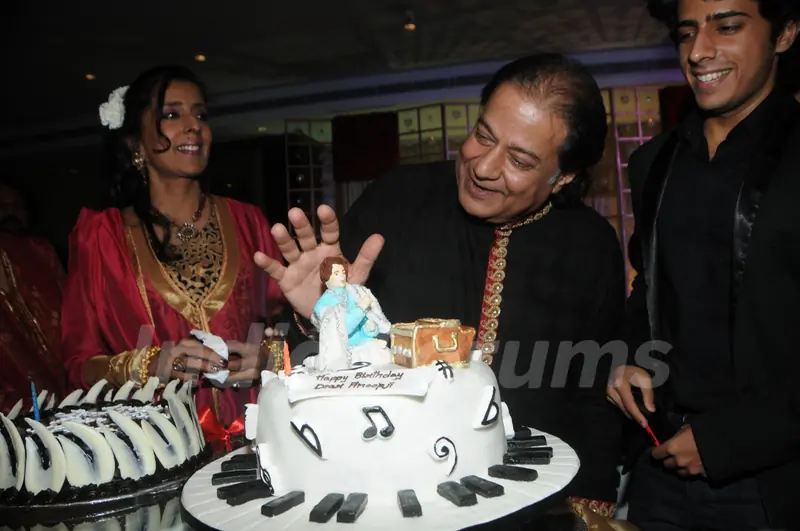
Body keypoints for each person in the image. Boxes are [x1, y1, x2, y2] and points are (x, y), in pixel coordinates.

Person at [256, 54, 627, 518]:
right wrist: (322, 314)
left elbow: (593, 392)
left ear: (564, 176)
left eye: (519, 159)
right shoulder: (397, 198)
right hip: (390, 505)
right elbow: (320, 375)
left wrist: (590, 508)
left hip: (536, 508)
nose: (484, 167)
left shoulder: (590, 244)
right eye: (483, 135)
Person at [605, 0, 800, 529]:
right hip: (659, 465)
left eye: (728, 27)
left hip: (772, 483)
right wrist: (626, 356)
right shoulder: (653, 162)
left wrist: (728, 442)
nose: (699, 51)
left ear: (784, 34)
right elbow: (648, 285)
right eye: (687, 33)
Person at [61, 66, 286, 449]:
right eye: (171, 114)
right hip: (158, 447)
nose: (193, 126)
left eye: (201, 115)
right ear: (136, 142)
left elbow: (283, 325)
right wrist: (146, 365)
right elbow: (78, 362)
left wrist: (272, 356)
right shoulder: (101, 237)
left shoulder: (248, 222)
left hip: (258, 437)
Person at [0, 182, 68, 413]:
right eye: (2, 206)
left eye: (17, 206)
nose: (11, 212)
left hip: (67, 387)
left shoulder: (43, 252)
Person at [305, 255, 391, 372]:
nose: (342, 275)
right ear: (326, 277)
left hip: (363, 344)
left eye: (343, 272)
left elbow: (364, 325)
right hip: (342, 351)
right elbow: (342, 328)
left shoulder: (355, 292)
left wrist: (369, 329)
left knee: (383, 356)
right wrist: (361, 308)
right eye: (336, 273)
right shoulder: (324, 304)